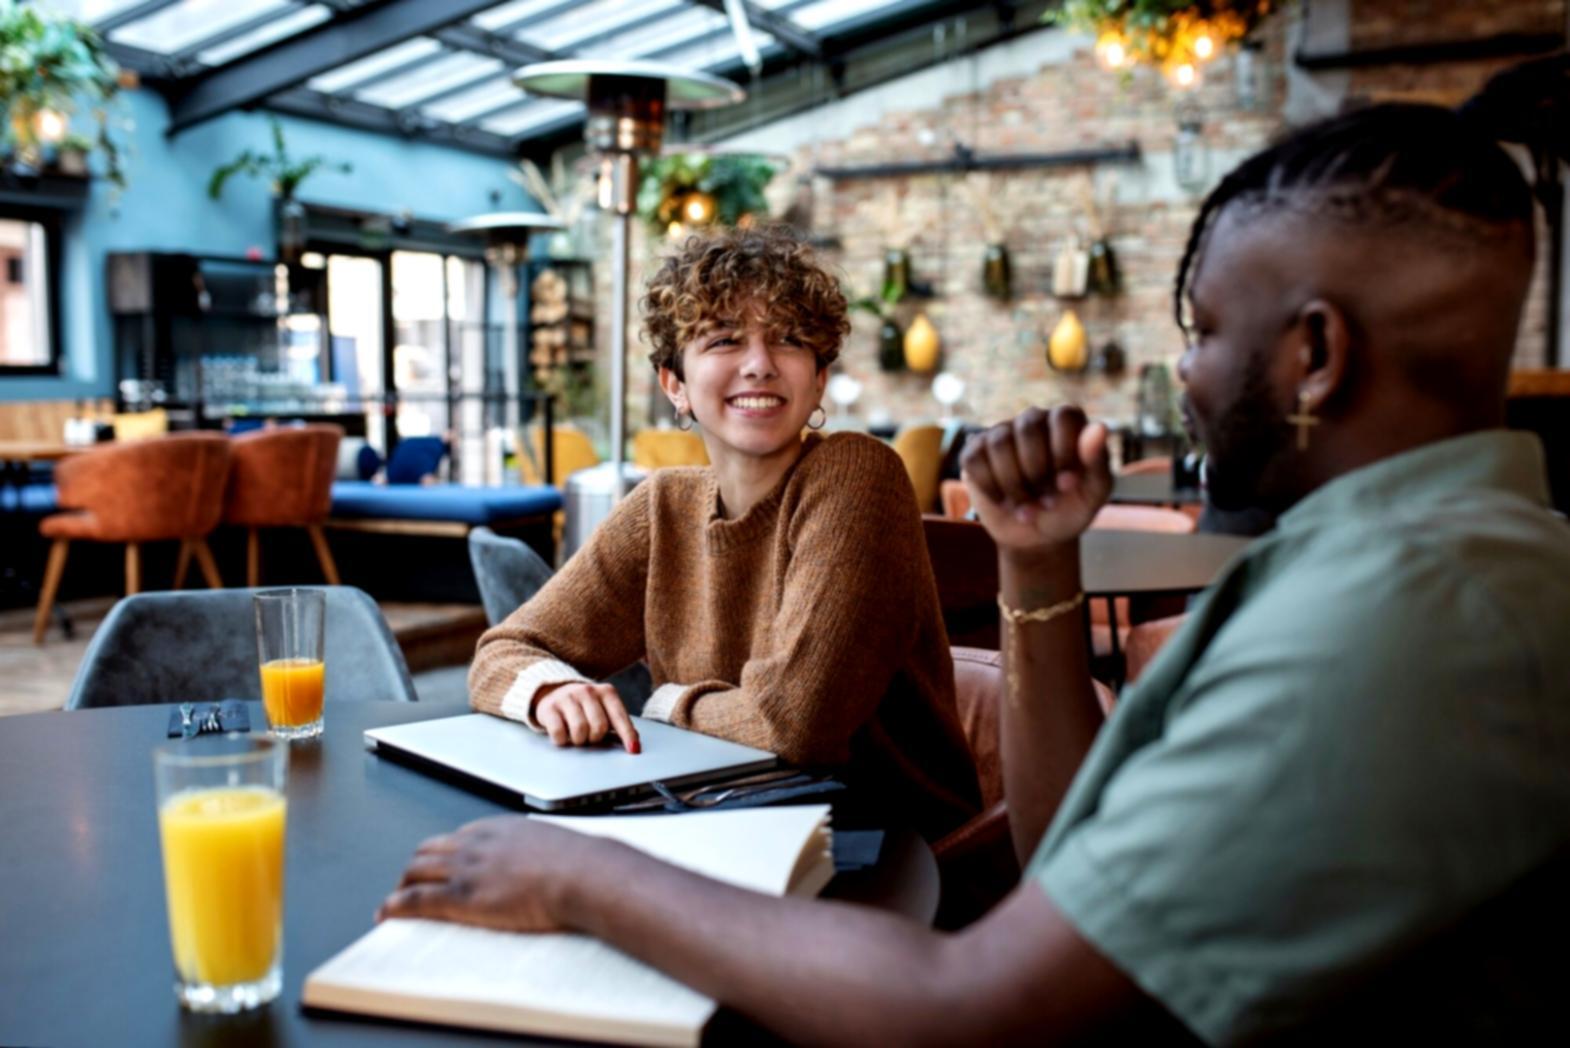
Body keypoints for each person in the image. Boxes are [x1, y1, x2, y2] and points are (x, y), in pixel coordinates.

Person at [386, 59, 1570, 1043]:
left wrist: (571, 874)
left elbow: (973, 1005)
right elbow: (1066, 849)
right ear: (672, 379)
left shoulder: (1400, 614)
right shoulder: (1374, 566)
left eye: (1201, 331)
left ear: (1312, 356)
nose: (1186, 376)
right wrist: (1037, 566)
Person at [468, 224, 981, 842]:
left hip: (893, 852)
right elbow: (502, 650)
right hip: (728, 831)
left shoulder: (856, 475)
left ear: (818, 379)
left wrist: (661, 706)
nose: (760, 364)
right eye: (724, 339)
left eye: (789, 340)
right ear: (674, 384)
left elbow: (797, 724)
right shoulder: (663, 507)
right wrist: (550, 689)